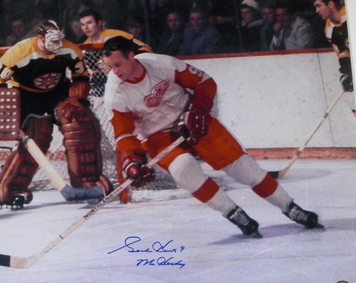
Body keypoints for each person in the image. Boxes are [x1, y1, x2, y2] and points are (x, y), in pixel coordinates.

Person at [101, 36, 319, 236]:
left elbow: (205, 82)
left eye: (118, 64)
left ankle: (291, 208)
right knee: (184, 170)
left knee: (244, 167)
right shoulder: (115, 94)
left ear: (132, 56)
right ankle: (233, 212)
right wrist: (131, 162)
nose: (115, 71)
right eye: (110, 67)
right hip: (157, 135)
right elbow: (124, 134)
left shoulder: (161, 64)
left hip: (190, 117)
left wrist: (197, 111)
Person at [0, 20, 113, 208]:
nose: (57, 46)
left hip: (58, 93)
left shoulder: (69, 49)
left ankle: (87, 181)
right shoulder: (20, 52)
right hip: (27, 97)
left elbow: (80, 76)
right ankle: (12, 188)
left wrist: (76, 99)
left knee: (78, 123)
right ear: (40, 37)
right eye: (52, 41)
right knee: (37, 138)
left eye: (59, 41)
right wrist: (10, 107)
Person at [314, 0, 352, 93]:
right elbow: (343, 53)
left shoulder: (351, 14)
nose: (317, 11)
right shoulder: (329, 29)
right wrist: (347, 76)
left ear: (330, 4)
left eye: (319, 6)